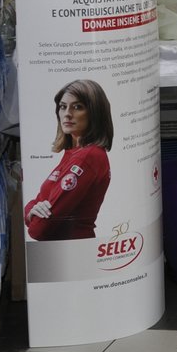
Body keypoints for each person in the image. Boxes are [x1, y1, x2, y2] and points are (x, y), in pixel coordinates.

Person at [26, 79, 114, 241]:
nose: (67, 113)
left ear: (95, 112)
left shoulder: (87, 157)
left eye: (78, 107)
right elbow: (37, 202)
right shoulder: (73, 153)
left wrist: (31, 214)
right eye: (62, 106)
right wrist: (31, 210)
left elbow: (39, 230)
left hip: (71, 254)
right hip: (64, 252)